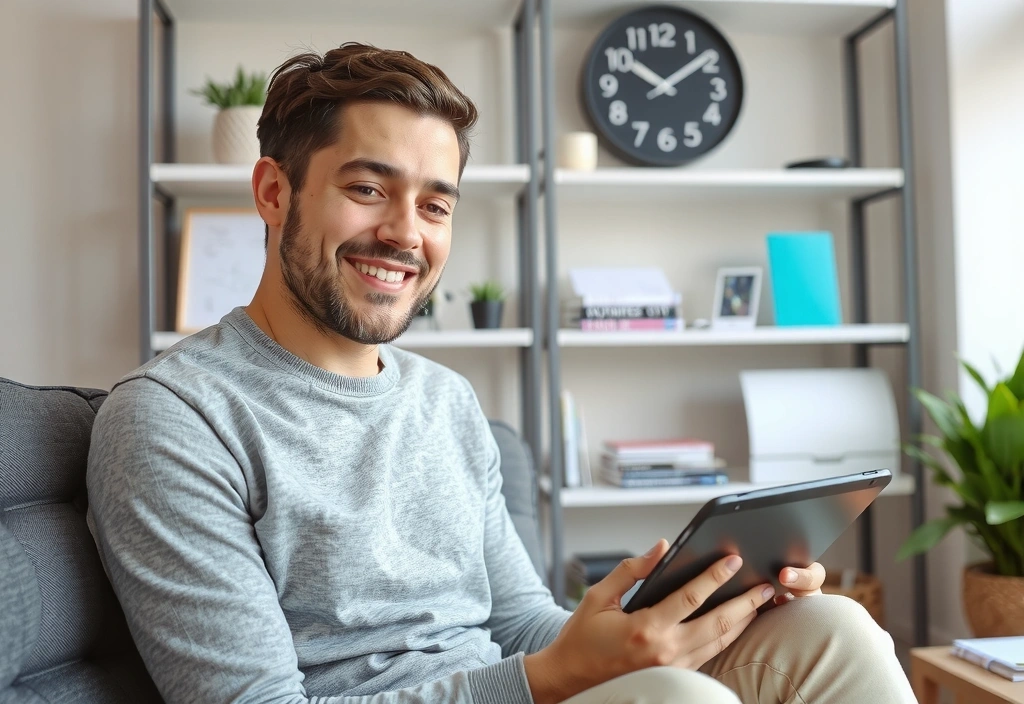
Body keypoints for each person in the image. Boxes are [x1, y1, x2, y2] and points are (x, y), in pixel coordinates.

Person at [86, 43, 917, 704]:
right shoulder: (175, 418)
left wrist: (684, 614)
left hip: (518, 692)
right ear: (274, 191)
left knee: (831, 629)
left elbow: (520, 624)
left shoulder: (444, 399)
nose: (406, 233)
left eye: (435, 205)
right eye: (368, 188)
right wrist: (551, 678)